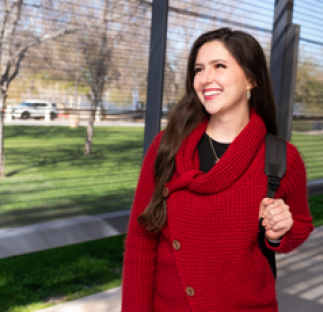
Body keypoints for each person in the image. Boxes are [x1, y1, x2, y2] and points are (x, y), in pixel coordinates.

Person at [121, 28, 314, 312]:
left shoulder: (282, 157)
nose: (205, 78)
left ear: (251, 79)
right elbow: (141, 241)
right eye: (199, 69)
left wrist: (279, 232)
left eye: (219, 66)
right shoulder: (167, 146)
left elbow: (300, 226)